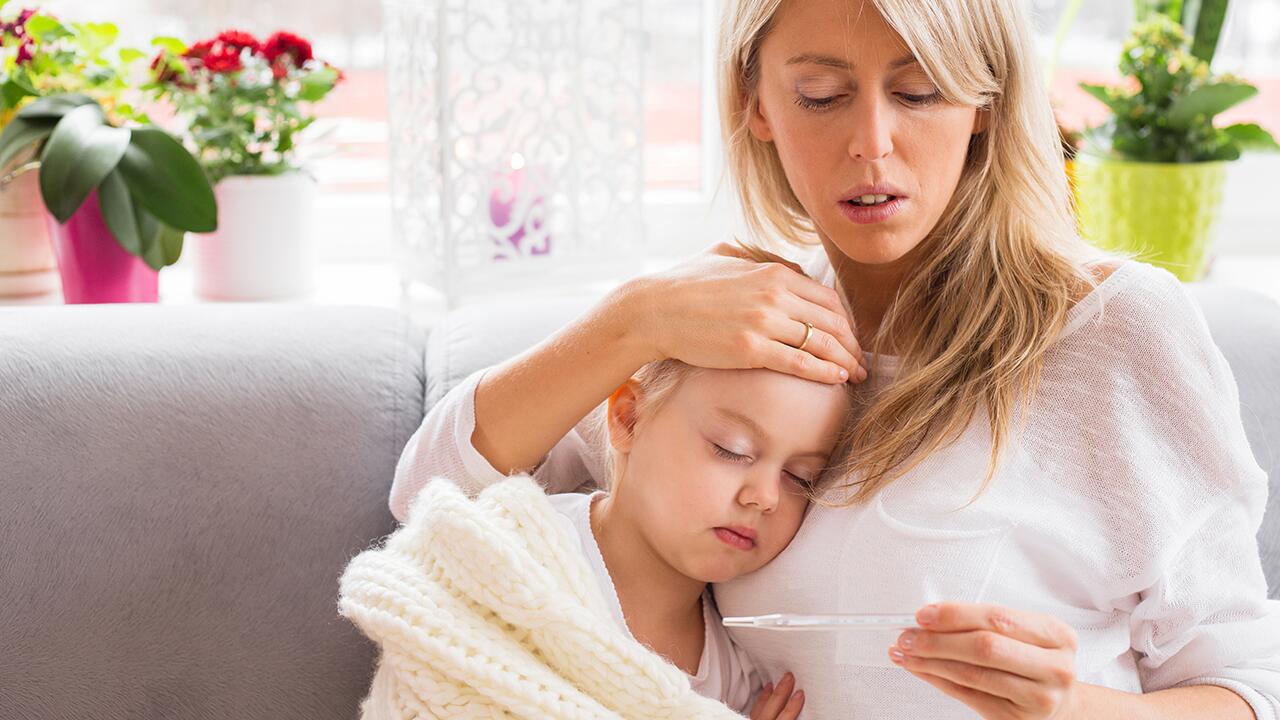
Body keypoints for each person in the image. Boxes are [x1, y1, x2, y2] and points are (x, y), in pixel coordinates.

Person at [389, 0, 1280, 717]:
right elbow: (435, 501)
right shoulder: (728, 333)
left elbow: (1250, 687)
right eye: (821, 94)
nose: (872, 145)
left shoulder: (1112, 329)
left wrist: (1073, 711)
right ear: (757, 103)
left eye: (921, 92)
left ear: (987, 105)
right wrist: (631, 322)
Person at [545, 359, 855, 717]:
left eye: (800, 477)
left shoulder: (735, 684)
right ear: (629, 418)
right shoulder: (528, 547)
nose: (766, 497)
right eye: (732, 450)